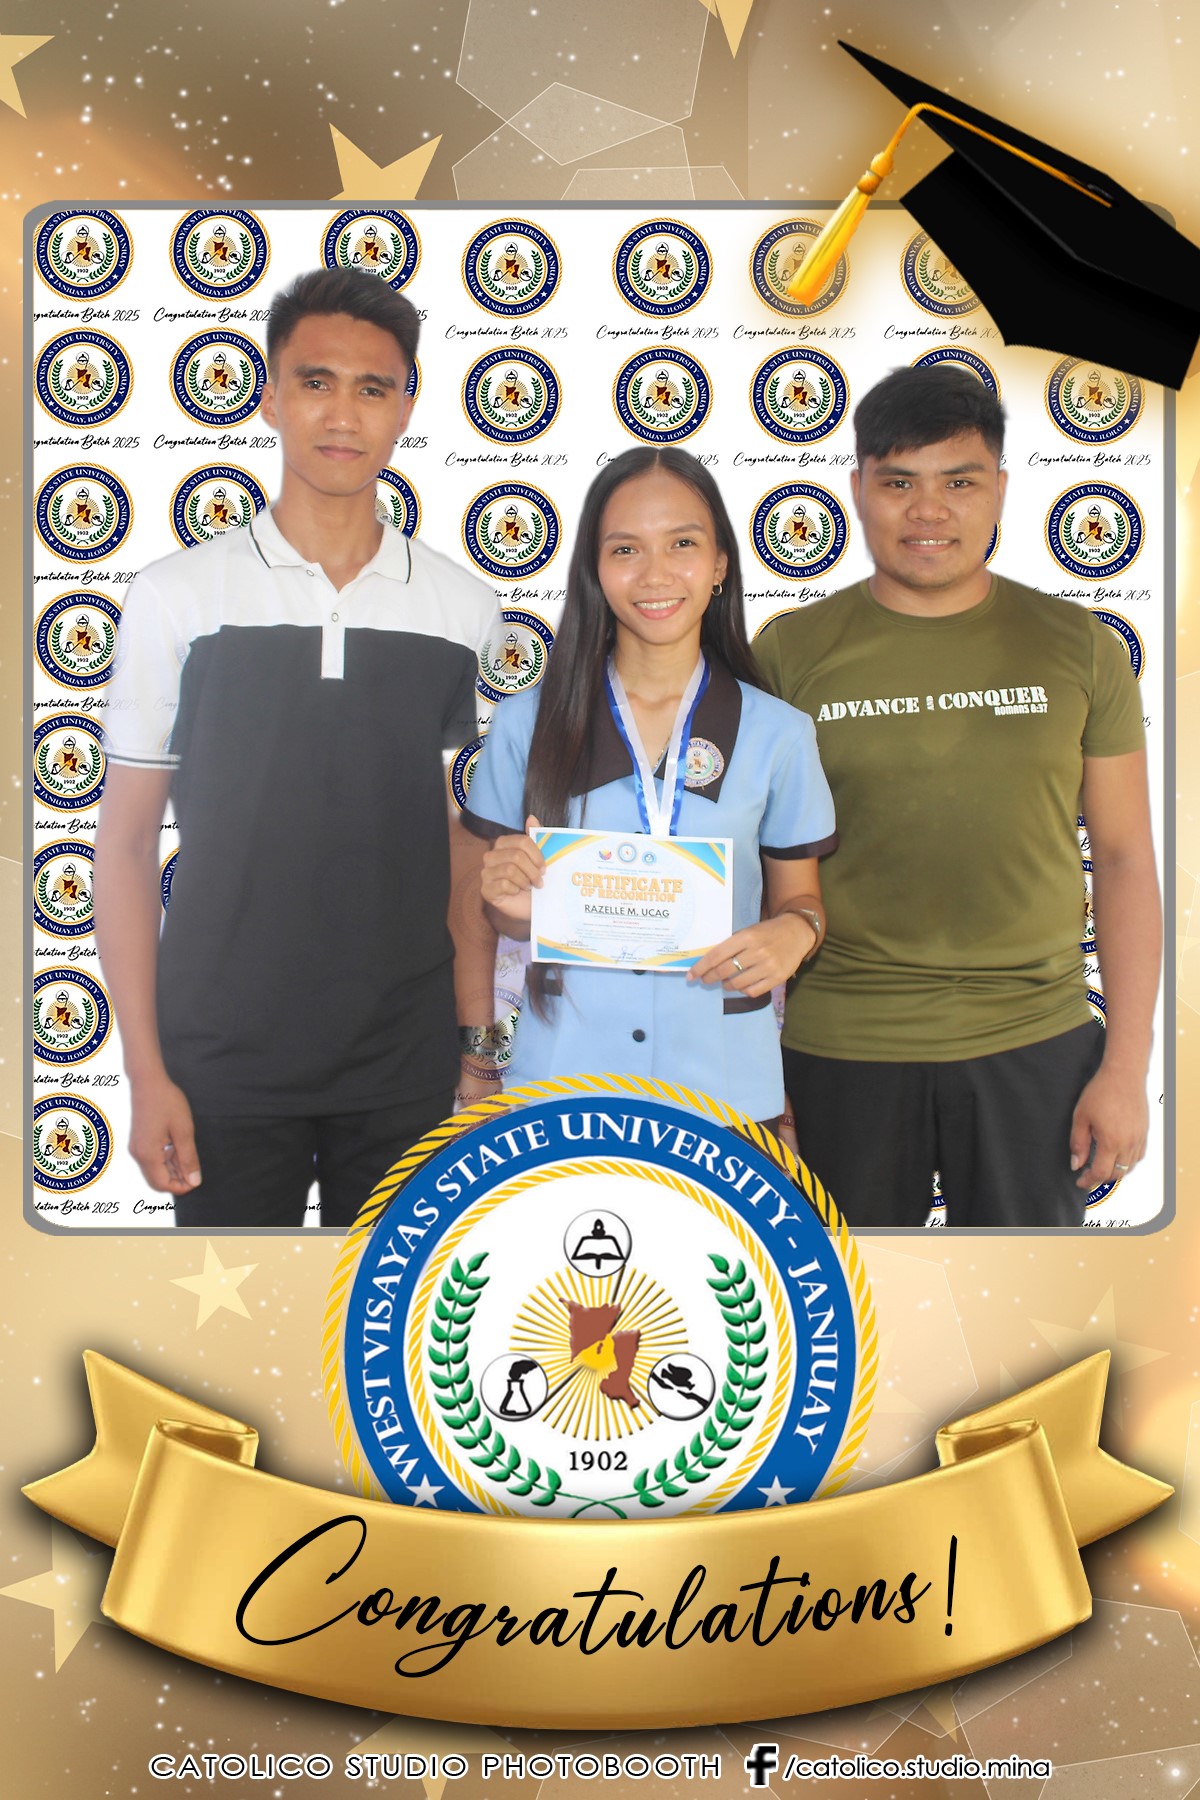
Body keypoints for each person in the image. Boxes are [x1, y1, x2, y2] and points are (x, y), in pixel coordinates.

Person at [94, 267, 502, 1227]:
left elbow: (465, 846)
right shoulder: (176, 596)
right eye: (316, 382)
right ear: (271, 397)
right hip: (221, 1059)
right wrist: (144, 1071)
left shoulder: (464, 609)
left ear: (406, 409)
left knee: (393, 1319)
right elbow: (124, 844)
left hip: (403, 1061)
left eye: (373, 388)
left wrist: (476, 1044)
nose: (343, 414)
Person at [755, 365, 1161, 1227]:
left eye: (960, 483)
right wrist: (749, 1067)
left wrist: (1127, 1068)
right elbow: (751, 870)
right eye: (899, 483)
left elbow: (1126, 858)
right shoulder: (789, 653)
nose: (928, 511)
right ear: (857, 489)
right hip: (841, 1045)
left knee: (1026, 1306)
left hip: (1036, 1042)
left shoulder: (1080, 647)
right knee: (849, 1299)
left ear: (1001, 489)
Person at [461, 447, 836, 1124]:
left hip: (724, 1088)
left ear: (720, 564)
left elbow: (801, 899)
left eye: (683, 544)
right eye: (626, 549)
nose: (655, 574)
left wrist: (796, 933)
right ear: (595, 569)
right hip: (565, 1087)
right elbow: (497, 914)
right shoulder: (525, 724)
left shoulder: (779, 734)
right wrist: (509, 908)